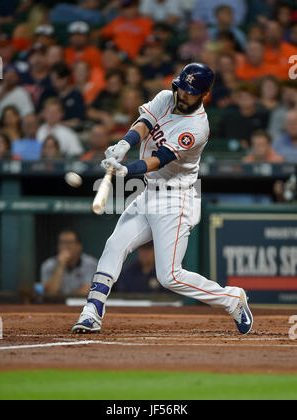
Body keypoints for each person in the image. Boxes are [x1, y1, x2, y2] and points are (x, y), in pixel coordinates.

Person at [72, 62, 253, 336]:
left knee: (169, 277)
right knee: (114, 245)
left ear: (204, 95)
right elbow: (144, 123)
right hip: (149, 193)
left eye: (190, 92)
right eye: (181, 87)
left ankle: (232, 299)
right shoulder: (166, 98)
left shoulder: (197, 127)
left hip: (176, 199)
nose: (182, 94)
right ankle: (92, 311)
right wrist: (124, 145)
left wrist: (128, 169)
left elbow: (161, 158)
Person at [41, 229, 98, 297]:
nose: (66, 247)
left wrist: (65, 298)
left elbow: (86, 290)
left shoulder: (91, 263)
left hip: (82, 304)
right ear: (58, 246)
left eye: (70, 242)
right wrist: (61, 265)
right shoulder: (48, 265)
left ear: (79, 246)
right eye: (62, 242)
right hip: (56, 305)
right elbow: (50, 292)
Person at [218, 82, 270, 148]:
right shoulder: (228, 117)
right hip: (230, 152)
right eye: (241, 97)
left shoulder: (263, 117)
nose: (244, 100)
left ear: (255, 98)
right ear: (236, 99)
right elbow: (221, 137)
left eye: (248, 96)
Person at [50, 62, 85, 128]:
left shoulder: (76, 95)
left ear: (66, 78)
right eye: (53, 81)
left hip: (71, 131)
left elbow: (78, 121)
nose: (54, 84)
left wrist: (59, 124)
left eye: (57, 80)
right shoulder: (50, 93)